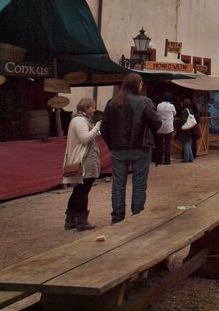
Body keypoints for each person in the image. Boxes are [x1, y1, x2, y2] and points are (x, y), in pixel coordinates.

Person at [101, 73, 161, 224]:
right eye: (141, 84)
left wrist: (112, 145)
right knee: (139, 184)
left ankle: (117, 218)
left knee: (118, 184)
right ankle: (137, 217)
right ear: (136, 85)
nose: (142, 87)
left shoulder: (112, 103)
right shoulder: (144, 102)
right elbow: (157, 123)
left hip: (119, 149)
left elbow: (104, 128)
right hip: (140, 148)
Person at [62, 98, 102, 231]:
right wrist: (97, 126)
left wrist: (97, 130)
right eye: (92, 107)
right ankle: (81, 221)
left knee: (78, 190)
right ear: (86, 108)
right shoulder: (80, 121)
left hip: (82, 159)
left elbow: (88, 136)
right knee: (83, 191)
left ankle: (70, 219)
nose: (94, 110)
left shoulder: (78, 120)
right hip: (84, 160)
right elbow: (85, 138)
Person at [154, 93, 176, 165]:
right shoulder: (171, 106)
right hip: (169, 127)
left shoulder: (159, 105)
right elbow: (174, 113)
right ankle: (167, 161)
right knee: (167, 144)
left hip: (160, 126)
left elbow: (157, 114)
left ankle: (159, 160)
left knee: (159, 144)